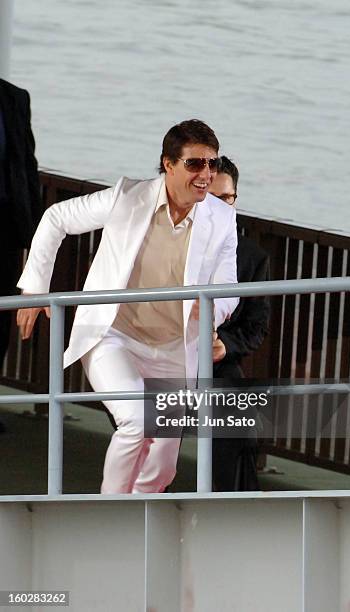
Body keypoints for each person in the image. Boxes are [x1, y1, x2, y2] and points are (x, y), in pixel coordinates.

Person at [16, 119, 238, 494]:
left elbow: (228, 285)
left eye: (212, 164)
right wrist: (35, 289)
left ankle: (139, 512)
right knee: (136, 420)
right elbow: (56, 218)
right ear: (168, 164)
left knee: (164, 462)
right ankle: (111, 510)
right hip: (113, 337)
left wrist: (212, 314)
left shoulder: (223, 217)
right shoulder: (126, 197)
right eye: (195, 164)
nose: (206, 174)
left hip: (173, 349)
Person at [209, 156, 270, 491]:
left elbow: (256, 329)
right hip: (164, 355)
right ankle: (147, 500)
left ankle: (228, 503)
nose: (219, 206)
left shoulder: (252, 256)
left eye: (227, 199)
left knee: (240, 420)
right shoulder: (172, 243)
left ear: (235, 199)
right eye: (211, 199)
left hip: (217, 362)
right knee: (132, 412)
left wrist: (225, 346)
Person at [0, 79, 42, 433]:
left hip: (4, 228)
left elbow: (26, 164)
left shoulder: (14, 98)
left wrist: (38, 234)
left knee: (1, 319)